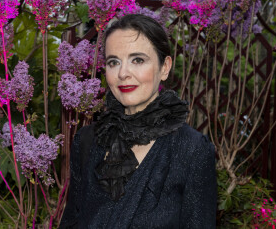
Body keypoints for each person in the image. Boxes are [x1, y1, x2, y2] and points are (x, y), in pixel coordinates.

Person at [59, 14, 217, 229]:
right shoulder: (87, 140)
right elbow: (71, 221)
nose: (123, 73)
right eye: (114, 62)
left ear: (164, 67)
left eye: (138, 60)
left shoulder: (192, 150)